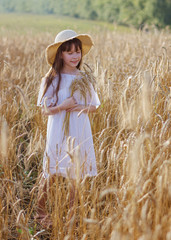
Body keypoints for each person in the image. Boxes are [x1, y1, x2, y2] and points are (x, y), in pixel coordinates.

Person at [35, 29, 100, 227]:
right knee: (51, 171)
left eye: (77, 52)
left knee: (76, 173)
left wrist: (80, 107)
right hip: (58, 130)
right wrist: (62, 107)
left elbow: (95, 106)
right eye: (70, 52)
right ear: (60, 54)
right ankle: (40, 211)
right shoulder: (51, 79)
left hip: (79, 128)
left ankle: (71, 214)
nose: (75, 56)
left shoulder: (84, 78)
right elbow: (45, 110)